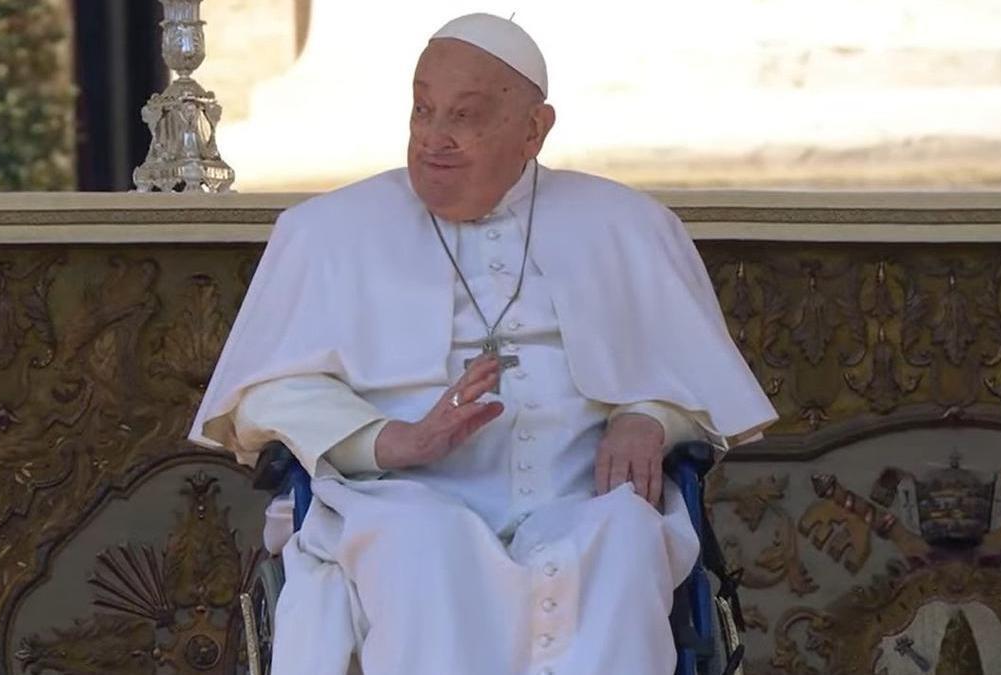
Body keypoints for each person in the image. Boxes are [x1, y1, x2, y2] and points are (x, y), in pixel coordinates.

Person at [190, 12, 776, 675]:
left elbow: (693, 379)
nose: (434, 138)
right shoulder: (327, 232)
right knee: (420, 545)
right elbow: (265, 393)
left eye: (463, 117)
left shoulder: (628, 225)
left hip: (579, 496)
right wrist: (388, 439)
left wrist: (649, 415)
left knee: (626, 536)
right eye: (422, 110)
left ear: (534, 129)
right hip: (402, 495)